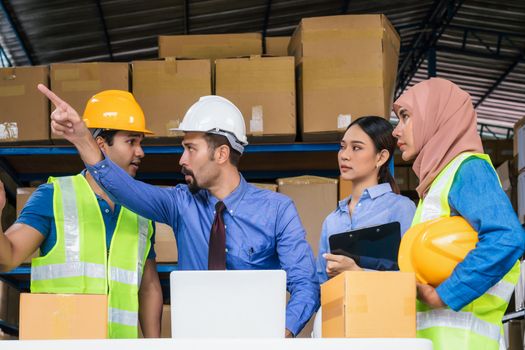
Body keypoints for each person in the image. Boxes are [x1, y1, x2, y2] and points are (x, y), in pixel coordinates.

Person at [38, 85, 319, 338]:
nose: (182, 160)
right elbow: (123, 189)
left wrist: (281, 334)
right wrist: (83, 139)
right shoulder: (180, 204)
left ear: (221, 154)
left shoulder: (278, 211)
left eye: (190, 149)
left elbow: (305, 284)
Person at [0, 90, 163, 339]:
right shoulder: (53, 196)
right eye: (131, 142)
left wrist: (155, 345)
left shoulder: (141, 210)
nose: (141, 152)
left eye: (141, 143)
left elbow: (148, 286)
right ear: (101, 145)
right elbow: (8, 256)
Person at [392, 77, 525, 350]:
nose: (397, 130)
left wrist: (446, 294)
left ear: (435, 116)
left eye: (405, 117)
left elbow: (507, 237)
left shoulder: (468, 169)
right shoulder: (435, 185)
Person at [312, 116, 416, 338]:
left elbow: (410, 281)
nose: (345, 155)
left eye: (356, 148)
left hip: (385, 330)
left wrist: (357, 273)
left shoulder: (401, 210)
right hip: (339, 332)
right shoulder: (332, 220)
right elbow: (321, 285)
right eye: (342, 147)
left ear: (381, 157)